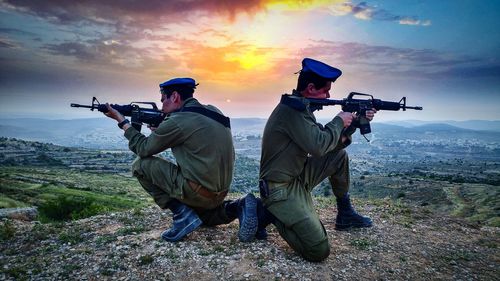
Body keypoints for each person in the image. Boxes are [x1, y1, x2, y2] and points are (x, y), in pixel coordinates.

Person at [103, 77, 258, 242]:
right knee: (203, 219)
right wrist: (163, 130)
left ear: (175, 96)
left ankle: (181, 214)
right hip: (219, 194)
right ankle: (237, 206)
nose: (162, 105)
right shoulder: (214, 111)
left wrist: (123, 122)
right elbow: (196, 139)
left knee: (140, 165)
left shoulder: (178, 120)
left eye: (163, 99)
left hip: (198, 193)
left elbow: (143, 149)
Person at [257, 58, 376, 262]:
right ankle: (272, 214)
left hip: (297, 177)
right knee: (318, 251)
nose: (329, 95)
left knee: (339, 156)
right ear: (311, 88)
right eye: (326, 90)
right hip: (279, 189)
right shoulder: (292, 112)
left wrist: (354, 123)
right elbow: (319, 145)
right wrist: (339, 120)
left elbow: (328, 144)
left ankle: (345, 213)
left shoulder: (301, 109)